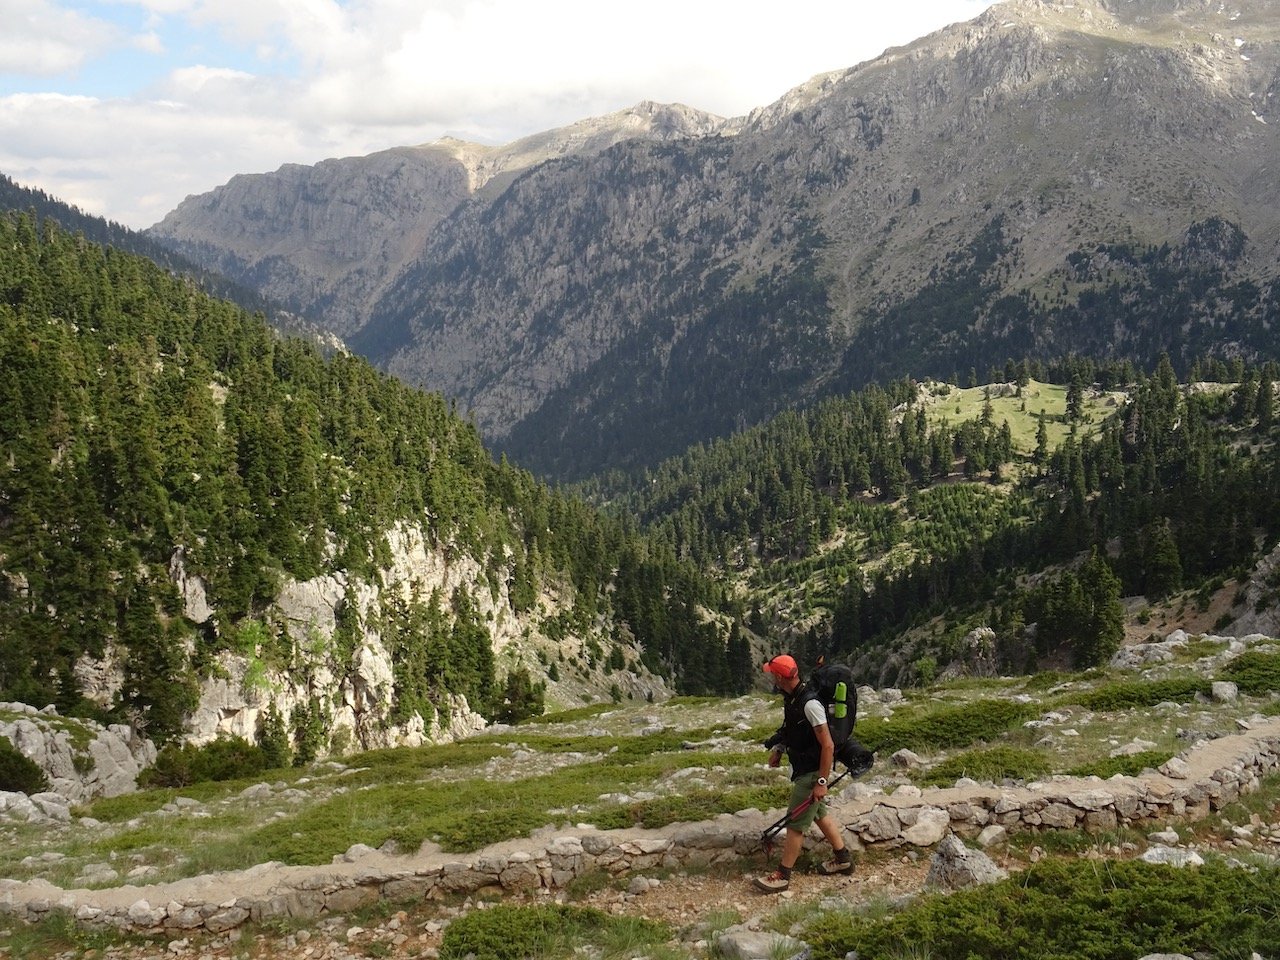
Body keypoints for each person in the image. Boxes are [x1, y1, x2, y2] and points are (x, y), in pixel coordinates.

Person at [754, 654, 853, 893]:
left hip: (811, 772)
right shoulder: (793, 698)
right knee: (819, 814)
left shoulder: (809, 704)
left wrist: (821, 781)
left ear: (779, 677)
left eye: (772, 675)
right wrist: (778, 749)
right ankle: (843, 860)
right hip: (804, 767)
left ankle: (782, 875)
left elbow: (827, 745)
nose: (771, 679)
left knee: (795, 824)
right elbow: (791, 729)